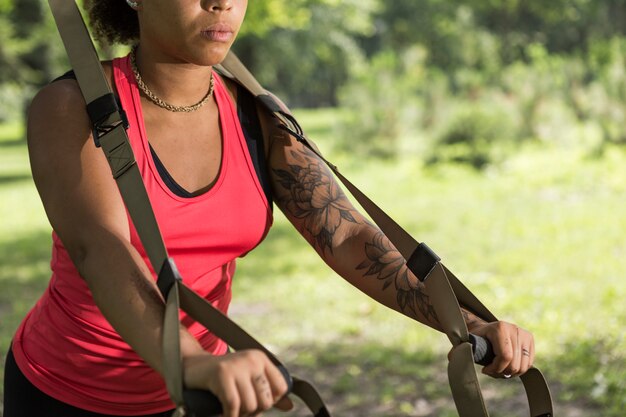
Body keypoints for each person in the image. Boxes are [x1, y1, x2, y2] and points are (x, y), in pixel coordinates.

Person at [2, 1, 537, 416]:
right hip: (67, 390)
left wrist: (465, 323)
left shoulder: (254, 114)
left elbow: (346, 237)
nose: (222, 4)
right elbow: (103, 250)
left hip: (202, 395)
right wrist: (194, 364)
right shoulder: (72, 107)